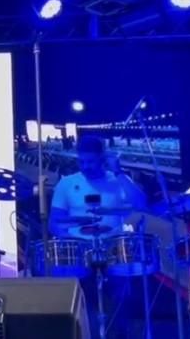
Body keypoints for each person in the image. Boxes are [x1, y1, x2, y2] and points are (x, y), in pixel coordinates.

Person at [49, 135, 148, 339]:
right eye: (81, 161)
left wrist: (119, 171)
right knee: (84, 299)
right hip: (80, 248)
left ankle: (121, 333)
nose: (85, 166)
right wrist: (70, 241)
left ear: (103, 158)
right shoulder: (67, 183)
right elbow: (54, 223)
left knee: (123, 296)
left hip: (113, 246)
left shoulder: (117, 181)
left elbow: (140, 204)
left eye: (91, 161)